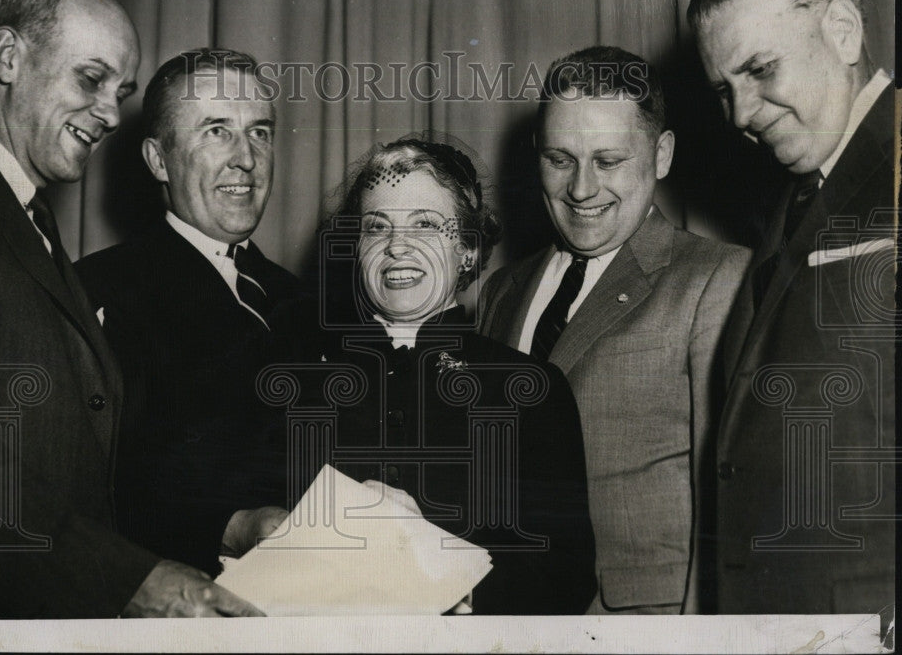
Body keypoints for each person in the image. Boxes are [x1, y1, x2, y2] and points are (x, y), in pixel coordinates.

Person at [0, 0, 260, 617]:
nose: (112, 112)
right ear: (7, 56)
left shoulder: (26, 219)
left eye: (124, 89)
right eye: (91, 78)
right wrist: (128, 580)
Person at [271, 135, 597, 614]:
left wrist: (443, 578)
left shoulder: (531, 391)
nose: (397, 247)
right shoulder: (296, 384)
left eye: (425, 225)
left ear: (467, 248)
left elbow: (565, 572)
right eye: (376, 227)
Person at [479, 46, 751, 613]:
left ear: (663, 154)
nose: (581, 189)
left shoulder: (718, 278)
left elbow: (733, 500)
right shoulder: (501, 290)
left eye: (608, 161)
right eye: (560, 159)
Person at [688, 0, 895, 619]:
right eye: (724, 89)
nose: (741, 115)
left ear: (841, 30)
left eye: (760, 70)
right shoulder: (793, 200)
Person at [76, 48, 298, 578]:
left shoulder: (301, 300)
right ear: (158, 160)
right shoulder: (98, 291)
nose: (245, 157)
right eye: (216, 131)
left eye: (260, 132)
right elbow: (89, 494)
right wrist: (231, 526)